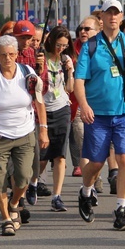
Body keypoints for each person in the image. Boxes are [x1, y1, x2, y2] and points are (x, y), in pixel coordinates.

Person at [74, 0, 125, 231]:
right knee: (96, 162)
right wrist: (84, 105)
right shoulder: (91, 46)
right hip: (98, 114)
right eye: (109, 13)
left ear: (121, 16)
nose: (113, 17)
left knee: (124, 158)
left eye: (117, 13)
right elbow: (79, 81)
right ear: (102, 18)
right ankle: (85, 191)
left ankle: (121, 209)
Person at [0, 35, 48, 236]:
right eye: (3, 55)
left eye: (11, 54)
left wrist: (43, 129)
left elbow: (39, 103)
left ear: (17, 55)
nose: (7, 58)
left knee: (24, 177)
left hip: (25, 133)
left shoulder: (28, 73)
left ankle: (14, 203)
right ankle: (6, 218)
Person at [35, 25, 75, 211]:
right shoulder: (41, 57)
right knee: (42, 157)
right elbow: (35, 85)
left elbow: (70, 88)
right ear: (51, 41)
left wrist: (70, 71)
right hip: (43, 109)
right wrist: (39, 67)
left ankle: (57, 196)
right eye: (58, 44)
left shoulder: (66, 59)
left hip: (61, 108)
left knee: (59, 156)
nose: (61, 49)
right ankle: (32, 183)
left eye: (65, 46)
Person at [70, 16, 101, 178]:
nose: (83, 32)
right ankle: (89, 183)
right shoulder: (72, 49)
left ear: (97, 31)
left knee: (99, 145)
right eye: (81, 29)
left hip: (99, 104)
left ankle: (97, 176)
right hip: (77, 104)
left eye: (87, 29)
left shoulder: (102, 49)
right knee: (83, 142)